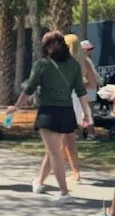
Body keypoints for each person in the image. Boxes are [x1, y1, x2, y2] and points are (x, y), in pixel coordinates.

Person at [6, 30, 91, 202]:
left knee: (54, 153)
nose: (53, 47)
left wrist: (16, 107)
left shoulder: (42, 64)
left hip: (49, 113)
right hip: (66, 112)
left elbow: (28, 89)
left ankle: (64, 193)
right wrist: (87, 114)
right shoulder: (74, 64)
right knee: (53, 150)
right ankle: (39, 182)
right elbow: (81, 92)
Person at [61, 34, 92, 180]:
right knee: (66, 137)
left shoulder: (63, 62)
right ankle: (61, 167)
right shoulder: (84, 62)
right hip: (80, 100)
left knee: (66, 138)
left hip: (66, 100)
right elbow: (92, 83)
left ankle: (74, 170)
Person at [80, 39, 102, 140]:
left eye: (91, 49)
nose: (90, 51)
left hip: (90, 89)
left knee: (88, 112)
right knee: (88, 112)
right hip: (87, 90)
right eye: (88, 49)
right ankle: (90, 133)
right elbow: (83, 76)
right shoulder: (84, 60)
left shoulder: (87, 60)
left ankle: (87, 132)